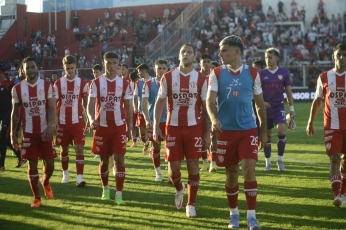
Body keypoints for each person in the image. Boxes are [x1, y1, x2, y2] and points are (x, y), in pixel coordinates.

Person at [207, 35, 267, 229]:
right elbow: (209, 101)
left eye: (223, 50)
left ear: (236, 52)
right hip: (226, 131)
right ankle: (234, 215)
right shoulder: (216, 73)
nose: (220, 54)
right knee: (231, 172)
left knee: (249, 169)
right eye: (220, 50)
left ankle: (252, 217)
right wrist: (214, 119)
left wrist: (263, 131)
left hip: (247, 129)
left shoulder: (252, 73)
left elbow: (259, 106)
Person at [154, 43, 208, 218]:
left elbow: (206, 107)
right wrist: (156, 125)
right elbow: (159, 102)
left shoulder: (201, 79)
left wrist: (207, 133)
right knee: (173, 170)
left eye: (189, 52)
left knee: (193, 166)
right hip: (173, 128)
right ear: (179, 56)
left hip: (194, 128)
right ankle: (179, 188)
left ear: (194, 58)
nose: (186, 54)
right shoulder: (168, 77)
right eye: (183, 52)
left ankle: (191, 204)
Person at [87, 51, 133, 205]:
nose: (112, 66)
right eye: (109, 63)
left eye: (115, 63)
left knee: (120, 159)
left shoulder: (125, 84)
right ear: (104, 63)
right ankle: (105, 190)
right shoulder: (96, 83)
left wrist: (130, 127)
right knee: (104, 161)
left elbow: (128, 107)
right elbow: (90, 104)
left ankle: (119, 195)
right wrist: (91, 119)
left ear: (118, 64)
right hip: (102, 128)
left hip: (119, 127)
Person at [11, 57, 57, 208]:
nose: (30, 70)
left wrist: (50, 126)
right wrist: (13, 134)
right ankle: (37, 198)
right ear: (23, 70)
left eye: (32, 67)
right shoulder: (17, 89)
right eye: (27, 68)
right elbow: (15, 113)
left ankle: (46, 181)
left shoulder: (47, 85)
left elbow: (52, 109)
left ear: (37, 68)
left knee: (50, 165)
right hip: (29, 133)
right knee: (32, 165)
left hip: (45, 132)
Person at [307, 43, 346, 208]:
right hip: (331, 125)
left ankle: (343, 193)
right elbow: (317, 100)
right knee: (335, 158)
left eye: (345, 55)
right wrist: (310, 121)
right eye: (339, 55)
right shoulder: (324, 77)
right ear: (333, 56)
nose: (342, 58)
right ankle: (337, 194)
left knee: (344, 161)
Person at [259, 48, 295, 172]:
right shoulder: (261, 74)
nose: (267, 60)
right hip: (266, 109)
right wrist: (262, 102)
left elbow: (289, 92)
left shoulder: (284, 73)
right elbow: (254, 92)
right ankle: (268, 162)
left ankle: (279, 160)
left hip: (279, 107)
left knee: (281, 130)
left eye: (270, 57)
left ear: (276, 58)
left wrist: (291, 110)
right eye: (266, 57)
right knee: (268, 136)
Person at [54, 55, 88, 186]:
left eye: (72, 68)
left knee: (79, 149)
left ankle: (79, 177)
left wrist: (89, 119)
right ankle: (66, 174)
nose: (70, 71)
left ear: (76, 67)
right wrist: (54, 121)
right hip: (62, 122)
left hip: (78, 122)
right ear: (64, 68)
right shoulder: (58, 83)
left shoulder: (82, 83)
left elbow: (85, 103)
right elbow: (53, 104)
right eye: (67, 68)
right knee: (64, 149)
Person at [142, 59, 168, 182]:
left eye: (164, 68)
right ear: (154, 69)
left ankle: (170, 172)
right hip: (154, 121)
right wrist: (147, 119)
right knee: (156, 147)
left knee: (171, 148)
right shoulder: (148, 84)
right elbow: (143, 103)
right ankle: (158, 172)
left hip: (170, 121)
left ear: (167, 69)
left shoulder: (172, 83)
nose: (161, 70)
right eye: (159, 68)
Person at [0, 64, 26, 171]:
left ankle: (1, 165)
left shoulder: (9, 85)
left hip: (8, 117)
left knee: (2, 139)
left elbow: (18, 100)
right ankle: (21, 157)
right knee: (5, 140)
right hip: (1, 117)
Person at [198, 55, 215, 173]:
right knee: (202, 138)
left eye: (208, 62)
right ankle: (204, 162)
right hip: (198, 111)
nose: (207, 64)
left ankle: (213, 163)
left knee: (214, 137)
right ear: (200, 64)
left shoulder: (214, 77)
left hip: (214, 110)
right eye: (204, 62)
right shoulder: (196, 77)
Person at [134, 64, 151, 154]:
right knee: (142, 131)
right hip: (141, 110)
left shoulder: (153, 81)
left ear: (143, 71)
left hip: (151, 110)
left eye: (139, 71)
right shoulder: (138, 83)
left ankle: (152, 147)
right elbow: (135, 95)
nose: (138, 73)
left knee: (152, 130)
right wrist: (135, 106)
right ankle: (146, 143)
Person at [90, 64, 103, 159]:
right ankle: (98, 151)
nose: (95, 74)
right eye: (94, 72)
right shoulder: (92, 83)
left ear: (101, 72)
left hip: (103, 112)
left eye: (96, 72)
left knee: (103, 132)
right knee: (97, 132)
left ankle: (103, 152)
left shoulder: (104, 82)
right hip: (95, 110)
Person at [129, 71, 140, 147]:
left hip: (131, 107)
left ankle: (135, 141)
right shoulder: (140, 84)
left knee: (133, 125)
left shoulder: (128, 85)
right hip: (139, 106)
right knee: (140, 125)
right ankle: (141, 139)